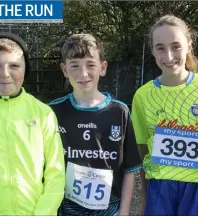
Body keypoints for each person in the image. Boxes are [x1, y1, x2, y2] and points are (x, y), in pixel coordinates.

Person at [131, 15, 198, 216]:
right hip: (158, 189)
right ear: (152, 50)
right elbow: (141, 151)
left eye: (176, 46)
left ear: (189, 46)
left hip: (196, 189)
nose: (168, 56)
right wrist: (145, 198)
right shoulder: (142, 95)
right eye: (160, 48)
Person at [0, 32, 65, 215]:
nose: (5, 74)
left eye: (14, 65)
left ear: (25, 68)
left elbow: (56, 173)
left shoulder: (43, 113)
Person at [49, 33, 142, 216]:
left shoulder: (120, 112)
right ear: (65, 70)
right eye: (74, 66)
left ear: (103, 67)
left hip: (110, 210)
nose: (83, 73)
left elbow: (129, 170)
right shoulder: (53, 112)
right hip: (66, 210)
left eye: (90, 64)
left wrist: (123, 212)